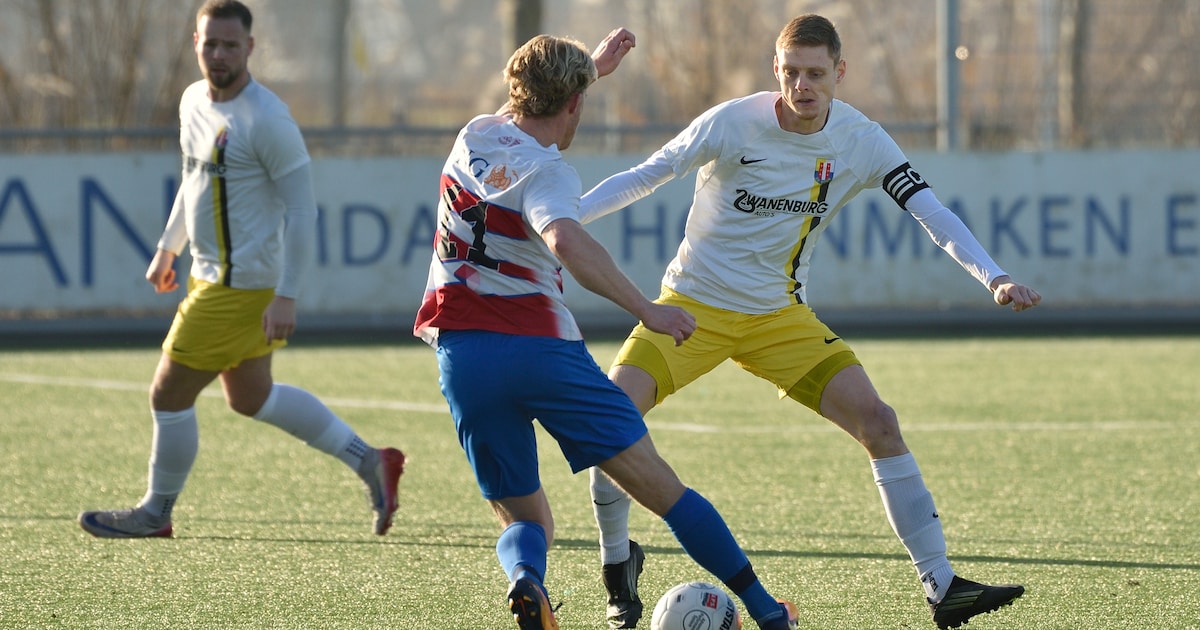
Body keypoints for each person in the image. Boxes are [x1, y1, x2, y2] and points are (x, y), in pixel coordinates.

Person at [580, 14, 1040, 630]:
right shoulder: (731, 122)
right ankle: (619, 572)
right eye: (791, 72)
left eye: (816, 74)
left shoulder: (863, 140)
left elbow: (931, 211)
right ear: (776, 70)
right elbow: (645, 176)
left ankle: (943, 586)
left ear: (839, 74)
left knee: (879, 422)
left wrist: (995, 276)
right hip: (692, 309)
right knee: (611, 420)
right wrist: (563, 220)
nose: (803, 86)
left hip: (778, 318)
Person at [413, 28, 799, 630]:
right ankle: (767, 611)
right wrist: (648, 310)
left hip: (463, 355)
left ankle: (526, 580)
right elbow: (565, 239)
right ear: (573, 104)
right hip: (543, 355)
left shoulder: (476, 134)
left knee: (526, 520)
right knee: (664, 491)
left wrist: (585, 70)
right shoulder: (550, 173)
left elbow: (531, 104)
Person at [77, 0, 405, 540]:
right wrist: (168, 247)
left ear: (250, 48)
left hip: (241, 285)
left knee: (167, 393)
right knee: (251, 397)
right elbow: (193, 177)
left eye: (231, 45)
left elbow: (302, 211)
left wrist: (288, 295)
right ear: (195, 43)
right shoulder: (192, 101)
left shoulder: (268, 119)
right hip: (210, 275)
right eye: (211, 43)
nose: (220, 54)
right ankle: (370, 460)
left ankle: (156, 513)